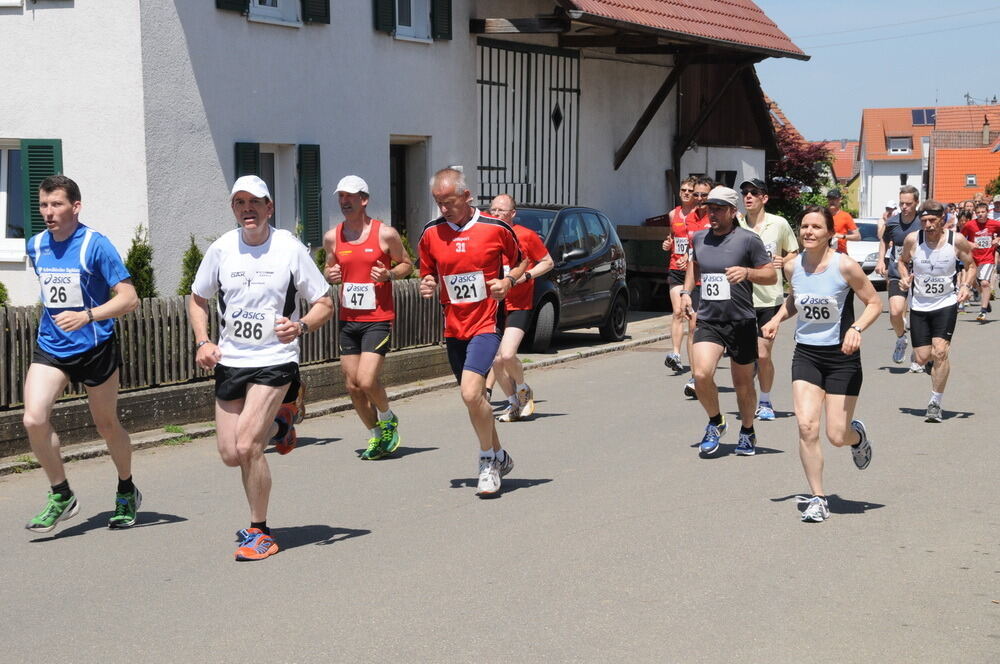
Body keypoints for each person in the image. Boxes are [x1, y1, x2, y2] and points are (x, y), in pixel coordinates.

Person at [189, 175, 333, 561]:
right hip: (231, 361)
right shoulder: (221, 249)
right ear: (234, 209)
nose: (247, 209)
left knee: (248, 445)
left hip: (275, 360)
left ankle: (260, 531)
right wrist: (204, 341)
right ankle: (281, 425)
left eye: (255, 202)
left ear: (270, 207)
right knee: (229, 453)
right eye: (240, 203)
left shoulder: (289, 248)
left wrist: (300, 326)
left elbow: (324, 302)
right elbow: (198, 298)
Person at [22, 175, 141, 533]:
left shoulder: (95, 245)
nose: (48, 212)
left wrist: (88, 315)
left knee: (106, 425)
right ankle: (61, 494)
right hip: (53, 346)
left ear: (76, 206)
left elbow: (129, 298)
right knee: (33, 419)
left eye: (56, 204)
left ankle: (126, 488)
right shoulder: (36, 245)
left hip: (96, 346)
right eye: (43, 205)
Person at [761, 205, 880, 523]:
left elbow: (874, 302)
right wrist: (776, 319)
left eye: (816, 227)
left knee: (836, 435)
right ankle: (818, 497)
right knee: (806, 426)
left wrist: (856, 329)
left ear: (830, 233)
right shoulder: (791, 267)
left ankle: (858, 436)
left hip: (842, 358)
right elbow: (795, 299)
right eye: (804, 226)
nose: (808, 232)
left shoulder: (845, 267)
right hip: (807, 355)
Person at [418, 168, 524, 496]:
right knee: (473, 399)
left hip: (487, 322)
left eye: (449, 202)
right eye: (438, 203)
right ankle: (500, 455)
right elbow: (427, 273)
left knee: (469, 393)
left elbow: (521, 261)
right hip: (454, 327)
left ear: (467, 196)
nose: (443, 209)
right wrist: (428, 284)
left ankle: (486, 461)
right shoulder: (430, 233)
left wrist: (508, 281)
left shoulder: (495, 228)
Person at [679, 186, 775, 457]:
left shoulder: (748, 240)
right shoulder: (698, 238)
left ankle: (747, 429)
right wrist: (687, 292)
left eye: (720, 209)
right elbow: (694, 265)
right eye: (710, 208)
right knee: (700, 374)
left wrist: (747, 272)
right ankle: (715, 421)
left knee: (743, 385)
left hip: (741, 320)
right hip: (709, 320)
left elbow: (770, 275)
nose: (713, 213)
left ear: (734, 212)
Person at [323, 176, 412, 460]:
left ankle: (387, 417)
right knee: (351, 385)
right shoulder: (332, 236)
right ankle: (376, 435)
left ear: (364, 200)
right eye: (341, 197)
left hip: (377, 317)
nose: (344, 201)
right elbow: (329, 267)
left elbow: (408, 264)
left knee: (365, 379)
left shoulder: (385, 234)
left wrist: (389, 274)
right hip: (348, 320)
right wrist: (330, 274)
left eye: (350, 196)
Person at [897, 201, 976, 422]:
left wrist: (966, 286)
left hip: (946, 303)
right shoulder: (913, 240)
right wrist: (904, 277)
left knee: (940, 351)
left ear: (942, 219)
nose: (928, 225)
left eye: (932, 220)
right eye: (924, 221)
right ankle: (934, 365)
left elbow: (971, 265)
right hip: (919, 305)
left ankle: (935, 403)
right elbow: (902, 262)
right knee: (922, 357)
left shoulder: (955, 240)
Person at [483, 194, 554, 422]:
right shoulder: (486, 235)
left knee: (507, 354)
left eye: (501, 211)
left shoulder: (526, 235)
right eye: (492, 210)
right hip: (493, 305)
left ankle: (523, 390)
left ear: (513, 213)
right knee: (495, 360)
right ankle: (513, 403)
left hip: (519, 304)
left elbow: (547, 262)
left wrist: (526, 276)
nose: (495, 214)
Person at [738, 178, 799, 421]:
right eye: (744, 192)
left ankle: (765, 400)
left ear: (764, 198)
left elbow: (793, 252)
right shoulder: (736, 223)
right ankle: (748, 393)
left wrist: (785, 262)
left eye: (754, 192)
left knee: (763, 354)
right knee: (744, 356)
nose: (748, 196)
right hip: (740, 297)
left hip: (769, 297)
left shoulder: (779, 223)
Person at [664, 177, 713, 395]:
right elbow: (679, 240)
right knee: (688, 321)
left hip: (713, 279)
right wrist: (673, 248)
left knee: (709, 329)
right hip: (687, 276)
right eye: (694, 194)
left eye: (703, 194)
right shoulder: (683, 217)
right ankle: (694, 375)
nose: (697, 197)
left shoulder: (715, 216)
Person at [877, 185, 921, 363]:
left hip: (920, 274)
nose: (904, 207)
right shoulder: (892, 222)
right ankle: (901, 338)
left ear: (916, 203)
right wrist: (881, 260)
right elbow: (884, 240)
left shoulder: (923, 221)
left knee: (919, 318)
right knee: (895, 312)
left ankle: (919, 355)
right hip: (897, 272)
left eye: (908, 204)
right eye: (902, 203)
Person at [662, 176, 698, 372]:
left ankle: (696, 360)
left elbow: (699, 240)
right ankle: (675, 354)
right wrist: (668, 244)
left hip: (694, 272)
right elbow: (672, 237)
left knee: (692, 318)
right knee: (677, 312)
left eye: (689, 191)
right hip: (675, 268)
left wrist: (688, 255)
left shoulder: (700, 215)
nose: (685, 193)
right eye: (683, 189)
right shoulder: (672, 214)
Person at [959, 201, 1000, 322]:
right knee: (974, 283)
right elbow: (960, 239)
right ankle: (985, 300)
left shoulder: (994, 224)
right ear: (975, 214)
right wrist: (970, 243)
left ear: (987, 212)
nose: (981, 214)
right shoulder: (970, 225)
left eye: (983, 212)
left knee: (985, 283)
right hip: (973, 259)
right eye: (978, 213)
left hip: (988, 258)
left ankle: (983, 311)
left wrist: (997, 238)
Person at [827, 189, 859, 253]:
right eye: (830, 199)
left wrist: (841, 236)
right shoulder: (823, 215)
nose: (832, 201)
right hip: (824, 253)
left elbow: (857, 237)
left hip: (839, 253)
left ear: (840, 200)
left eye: (834, 199)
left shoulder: (845, 216)